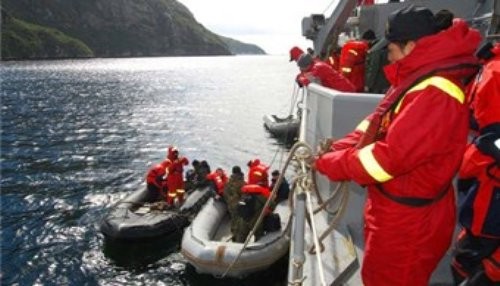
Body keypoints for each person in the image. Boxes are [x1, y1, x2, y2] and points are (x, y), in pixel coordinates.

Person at [311, 5, 481, 285]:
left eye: (391, 50)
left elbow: (387, 159)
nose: (387, 57)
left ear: (411, 46)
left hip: (410, 224)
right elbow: (376, 126)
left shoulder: (435, 93)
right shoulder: (417, 79)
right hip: (396, 212)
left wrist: (330, 163)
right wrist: (339, 147)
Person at [451, 42, 500, 286]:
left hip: (490, 188)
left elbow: (492, 136)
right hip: (484, 180)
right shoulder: (490, 68)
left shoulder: (493, 71)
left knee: (477, 259)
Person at [232, 167, 271, 243]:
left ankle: (236, 247)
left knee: (241, 237)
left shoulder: (246, 195)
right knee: (259, 236)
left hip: (244, 219)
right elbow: (272, 205)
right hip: (255, 221)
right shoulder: (262, 196)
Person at [223, 166, 246, 234]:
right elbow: (244, 193)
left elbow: (225, 192)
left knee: (233, 217)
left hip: (230, 203)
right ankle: (238, 232)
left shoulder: (228, 181)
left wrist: (229, 200)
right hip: (239, 204)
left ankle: (233, 230)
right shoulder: (241, 182)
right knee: (239, 218)